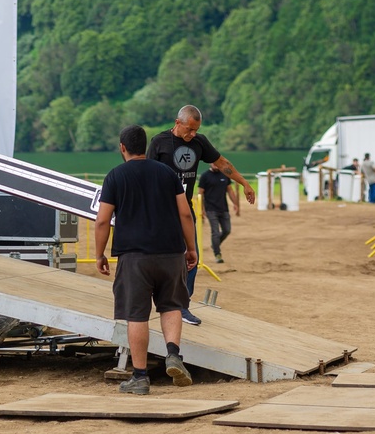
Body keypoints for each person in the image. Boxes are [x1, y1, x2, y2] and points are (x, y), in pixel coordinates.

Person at [95, 125, 197, 395]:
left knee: (136, 315)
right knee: (172, 305)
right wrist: (191, 248)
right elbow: (185, 214)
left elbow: (103, 220)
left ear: (122, 147)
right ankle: (173, 353)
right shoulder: (167, 173)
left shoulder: (115, 176)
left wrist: (100, 253)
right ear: (146, 146)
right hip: (171, 253)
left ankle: (140, 377)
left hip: (134, 256)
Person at [147, 105, 255, 326]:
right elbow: (147, 175)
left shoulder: (199, 142)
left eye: (196, 129)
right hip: (161, 211)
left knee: (190, 258)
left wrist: (244, 182)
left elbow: (222, 162)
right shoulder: (159, 142)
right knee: (157, 259)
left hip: (185, 210)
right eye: (189, 129)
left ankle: (182, 306)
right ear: (178, 123)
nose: (193, 134)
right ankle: (159, 300)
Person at [198, 163, 240, 263]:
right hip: (211, 209)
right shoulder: (205, 176)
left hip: (223, 208)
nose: (216, 165)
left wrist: (235, 203)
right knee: (215, 232)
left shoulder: (224, 175)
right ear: (210, 163)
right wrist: (201, 208)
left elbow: (230, 190)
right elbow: (200, 193)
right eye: (214, 163)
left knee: (227, 230)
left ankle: (215, 244)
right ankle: (217, 254)